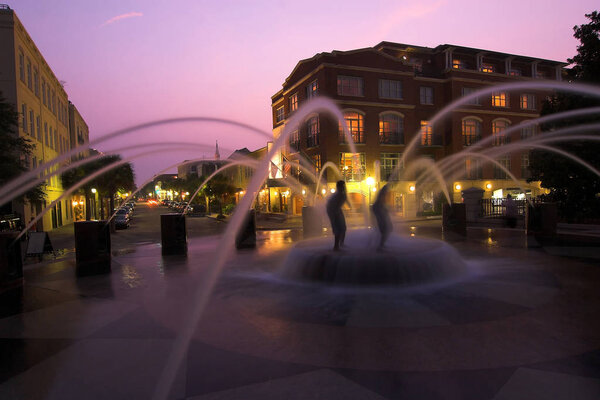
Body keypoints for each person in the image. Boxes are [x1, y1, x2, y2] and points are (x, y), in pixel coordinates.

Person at [326, 180, 350, 251]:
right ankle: (336, 247)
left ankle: (341, 243)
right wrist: (334, 218)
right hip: (333, 211)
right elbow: (331, 206)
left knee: (343, 227)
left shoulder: (341, 194)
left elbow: (340, 203)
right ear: (338, 187)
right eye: (342, 186)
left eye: (343, 186)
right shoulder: (338, 195)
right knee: (338, 229)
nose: (344, 187)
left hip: (337, 210)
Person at [372, 184, 393, 249]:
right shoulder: (382, 194)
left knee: (387, 228)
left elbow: (382, 205)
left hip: (378, 210)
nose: (388, 191)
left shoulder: (382, 194)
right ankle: (381, 245)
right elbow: (380, 204)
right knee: (386, 229)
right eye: (387, 190)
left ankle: (381, 244)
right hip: (378, 210)